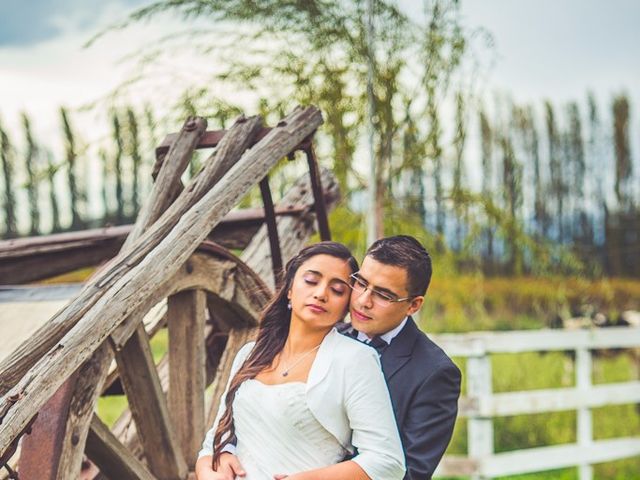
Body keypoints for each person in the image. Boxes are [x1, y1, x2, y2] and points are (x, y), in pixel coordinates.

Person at [213, 235, 461, 480]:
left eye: (383, 295)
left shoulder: (434, 372)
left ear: (413, 305)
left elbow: (410, 473)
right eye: (361, 284)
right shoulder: (324, 336)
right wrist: (225, 452)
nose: (363, 301)